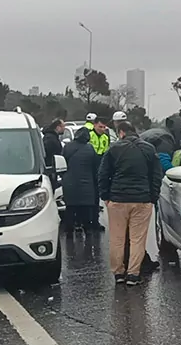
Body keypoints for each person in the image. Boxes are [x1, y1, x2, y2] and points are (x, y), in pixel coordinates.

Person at [98, 121, 162, 286]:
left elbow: (103, 174)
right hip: (142, 200)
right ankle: (133, 274)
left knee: (117, 239)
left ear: (121, 132)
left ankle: (118, 273)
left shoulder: (114, 149)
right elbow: (156, 175)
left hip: (118, 199)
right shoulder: (149, 149)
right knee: (137, 239)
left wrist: (105, 196)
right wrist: (152, 197)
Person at [62, 126, 99, 233]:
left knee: (70, 209)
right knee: (86, 211)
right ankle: (87, 234)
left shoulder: (67, 147)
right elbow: (95, 167)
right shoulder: (90, 149)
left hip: (70, 184)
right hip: (86, 185)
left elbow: (63, 162)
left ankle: (69, 233)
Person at [42, 118, 65, 188]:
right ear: (58, 127)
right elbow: (48, 154)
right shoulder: (50, 139)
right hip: (51, 170)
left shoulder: (53, 137)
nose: (64, 128)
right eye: (63, 126)